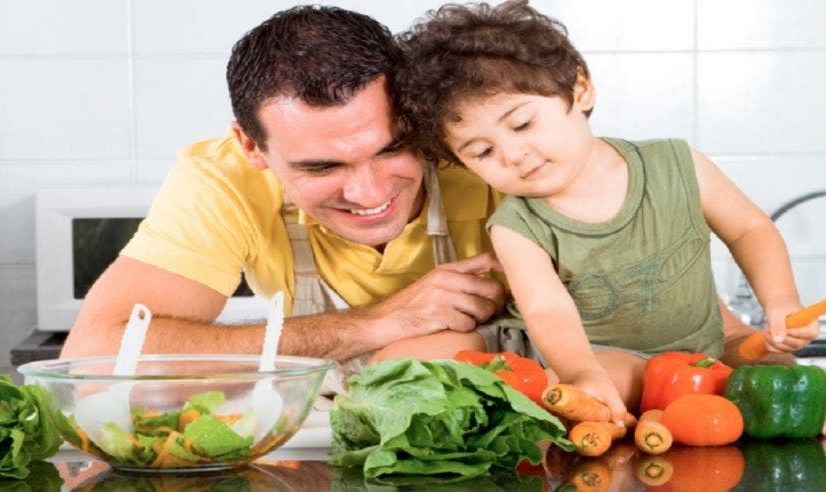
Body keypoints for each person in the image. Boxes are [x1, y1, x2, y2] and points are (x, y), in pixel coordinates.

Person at [396, 0, 820, 423]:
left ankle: (698, 405)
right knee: (613, 381)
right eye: (483, 151)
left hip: (709, 347)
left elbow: (749, 228)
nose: (513, 154)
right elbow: (547, 309)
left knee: (780, 375)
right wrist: (582, 372)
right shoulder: (515, 227)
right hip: (608, 359)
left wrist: (780, 301)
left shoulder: (677, 164)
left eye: (522, 124)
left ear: (579, 89)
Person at [61, 5, 509, 374]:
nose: (369, 193)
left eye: (394, 148)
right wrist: (374, 324)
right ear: (251, 146)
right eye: (321, 167)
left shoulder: (488, 146)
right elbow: (92, 359)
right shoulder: (225, 178)